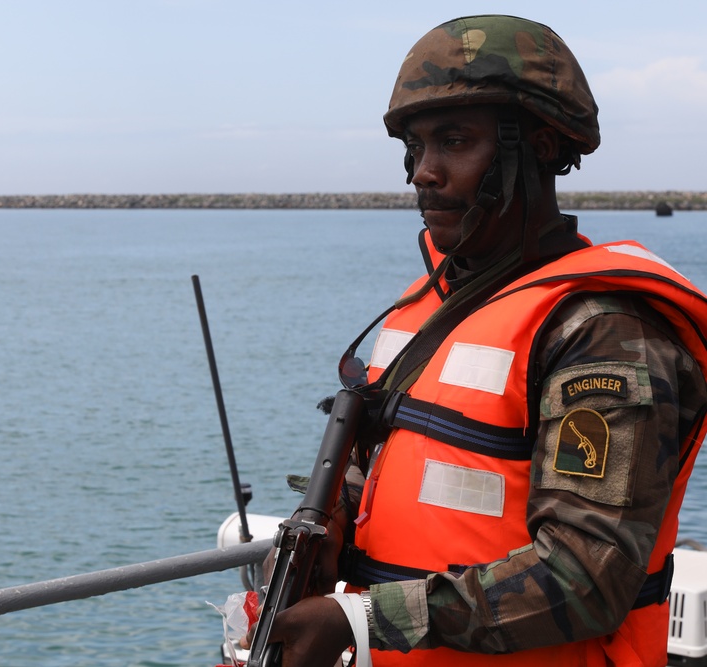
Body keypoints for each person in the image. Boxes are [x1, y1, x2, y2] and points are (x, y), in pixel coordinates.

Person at [258, 14, 707, 667]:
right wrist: (331, 525)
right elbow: (390, 472)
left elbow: (586, 578)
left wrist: (360, 616)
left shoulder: (604, 333)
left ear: (544, 146)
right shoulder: (426, 310)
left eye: (454, 141)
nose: (423, 172)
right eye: (415, 146)